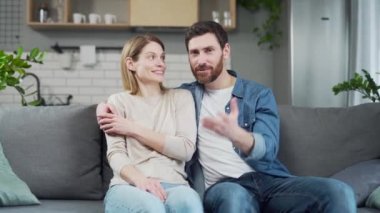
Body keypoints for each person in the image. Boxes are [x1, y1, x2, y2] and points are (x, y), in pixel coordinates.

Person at [98, 22, 356, 212]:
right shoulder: (186, 96)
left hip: (268, 180)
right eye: (194, 53)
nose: (201, 60)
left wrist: (239, 136)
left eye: (208, 50)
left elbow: (268, 148)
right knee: (235, 200)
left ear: (226, 51)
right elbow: (145, 97)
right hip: (222, 186)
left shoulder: (257, 94)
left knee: (339, 192)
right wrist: (104, 107)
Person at [97, 34, 203, 213]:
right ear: (131, 64)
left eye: (162, 57)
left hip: (175, 185)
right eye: (151, 57)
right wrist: (140, 180)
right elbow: (115, 154)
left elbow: (185, 149)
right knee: (152, 207)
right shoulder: (118, 102)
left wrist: (132, 128)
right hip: (128, 186)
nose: (161, 63)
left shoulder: (181, 98)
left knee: (190, 202)